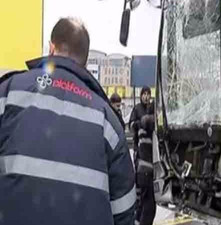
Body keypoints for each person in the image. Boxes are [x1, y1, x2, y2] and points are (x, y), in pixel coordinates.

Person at [0, 18, 135, 225]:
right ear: (85, 60)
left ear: (51, 47)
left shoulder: (9, 94)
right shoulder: (107, 121)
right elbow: (124, 208)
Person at [129, 86, 156, 225]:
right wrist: (140, 124)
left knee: (145, 200)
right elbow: (132, 125)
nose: (146, 96)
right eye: (144, 94)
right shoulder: (137, 108)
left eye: (148, 94)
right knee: (146, 201)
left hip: (147, 159)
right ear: (141, 95)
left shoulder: (152, 108)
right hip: (141, 154)